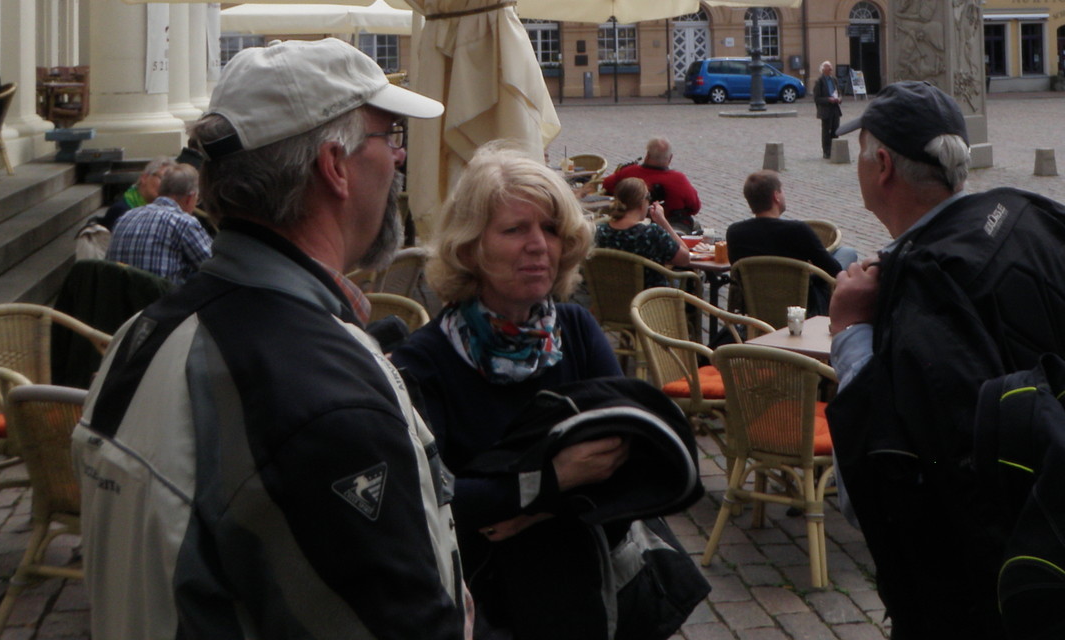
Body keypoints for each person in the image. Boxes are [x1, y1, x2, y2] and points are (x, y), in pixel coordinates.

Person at [76, 37, 467, 640]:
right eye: (390, 138)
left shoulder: (148, 331)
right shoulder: (318, 394)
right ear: (334, 167)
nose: (399, 160)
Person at [825, 81, 1065, 640]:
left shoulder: (928, 285)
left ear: (882, 164)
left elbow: (881, 485)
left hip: (1008, 589)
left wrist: (852, 332)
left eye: (861, 152)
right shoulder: (1040, 215)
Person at [391, 142, 630, 633]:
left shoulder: (577, 331)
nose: (538, 244)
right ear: (469, 247)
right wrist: (556, 478)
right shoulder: (425, 361)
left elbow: (627, 459)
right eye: (515, 229)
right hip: (481, 605)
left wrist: (530, 508)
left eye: (549, 228)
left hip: (581, 596)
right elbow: (434, 502)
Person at [725, 170, 851, 314]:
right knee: (848, 253)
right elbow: (834, 271)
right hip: (802, 307)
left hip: (756, 305)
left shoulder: (734, 232)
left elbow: (738, 273)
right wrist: (807, 274)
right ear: (776, 196)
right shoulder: (798, 231)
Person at [104, 162, 212, 285]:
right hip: (162, 301)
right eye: (197, 200)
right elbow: (215, 267)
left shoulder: (124, 218)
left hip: (119, 301)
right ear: (190, 198)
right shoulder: (184, 222)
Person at [602, 137, 702, 233]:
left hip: (629, 224)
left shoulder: (628, 172)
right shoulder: (679, 180)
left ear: (647, 155)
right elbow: (695, 207)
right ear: (670, 158)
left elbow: (607, 185)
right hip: (671, 227)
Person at [593, 176, 692, 270]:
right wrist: (663, 221)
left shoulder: (599, 231)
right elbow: (685, 259)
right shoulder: (652, 233)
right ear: (642, 202)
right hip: (650, 288)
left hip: (607, 287)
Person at [98, 157, 176, 230]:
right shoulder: (121, 211)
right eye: (163, 179)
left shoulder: (168, 211)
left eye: (170, 181)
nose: (166, 186)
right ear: (144, 178)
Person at [814, 60, 843, 159]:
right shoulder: (819, 81)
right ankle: (826, 151)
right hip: (826, 109)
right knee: (826, 131)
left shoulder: (834, 79)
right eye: (828, 67)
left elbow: (838, 92)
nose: (831, 69)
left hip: (835, 108)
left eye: (831, 67)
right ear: (823, 70)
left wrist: (839, 99)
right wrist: (828, 99)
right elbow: (817, 98)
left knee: (836, 130)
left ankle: (835, 150)